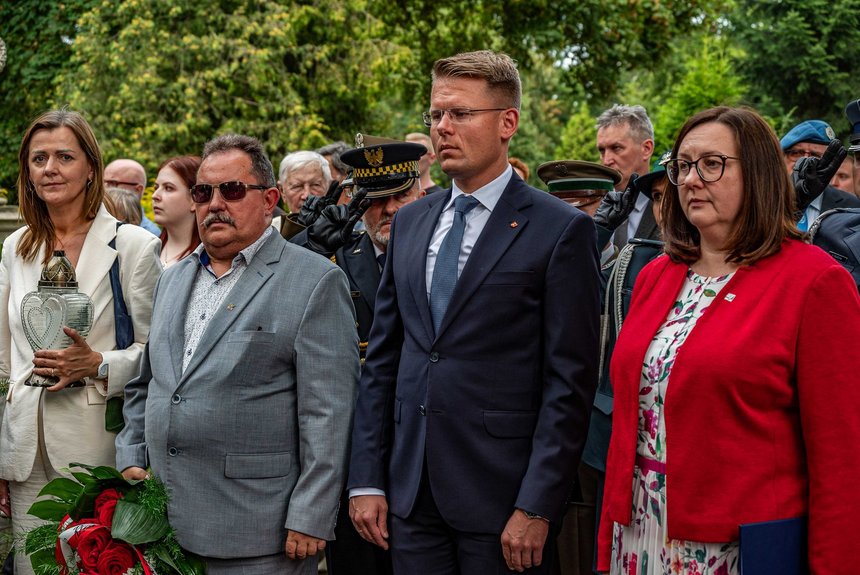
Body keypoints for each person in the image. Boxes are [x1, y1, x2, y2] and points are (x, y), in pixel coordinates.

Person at [348, 50, 601, 575]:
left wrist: (537, 505)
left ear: (507, 122)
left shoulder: (559, 228)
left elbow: (569, 383)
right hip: (411, 496)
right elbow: (384, 361)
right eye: (436, 114)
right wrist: (367, 477)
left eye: (460, 113)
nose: (442, 127)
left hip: (503, 500)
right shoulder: (412, 222)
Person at [598, 106, 860, 574]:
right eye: (682, 165)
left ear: (758, 173)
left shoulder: (814, 281)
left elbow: (841, 461)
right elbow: (628, 429)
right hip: (639, 531)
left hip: (735, 547)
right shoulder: (657, 273)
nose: (690, 180)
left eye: (712, 164)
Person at [115, 133, 359, 575]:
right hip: (164, 524)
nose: (214, 204)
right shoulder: (172, 278)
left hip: (261, 532)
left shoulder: (314, 281)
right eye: (203, 192)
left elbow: (329, 411)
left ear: (269, 200)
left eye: (231, 190)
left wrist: (312, 512)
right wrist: (132, 453)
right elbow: (148, 381)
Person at [0, 109, 162, 575]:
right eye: (39, 159)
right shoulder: (15, 247)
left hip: (99, 454)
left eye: (64, 157)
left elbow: (160, 355)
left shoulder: (132, 246)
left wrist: (98, 364)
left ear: (91, 167)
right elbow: (4, 359)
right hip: (24, 452)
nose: (50, 168)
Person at [596, 105, 659, 247]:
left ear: (646, 149)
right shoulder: (594, 209)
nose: (606, 160)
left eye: (616, 148)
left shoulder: (672, 208)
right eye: (602, 151)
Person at [780, 119, 860, 230]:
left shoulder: (852, 205)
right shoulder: (763, 198)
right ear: (782, 157)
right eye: (796, 153)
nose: (805, 160)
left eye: (815, 155)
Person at [152, 155, 201, 267]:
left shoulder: (207, 261)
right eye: (156, 187)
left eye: (168, 188)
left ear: (195, 198)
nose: (155, 196)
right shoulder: (148, 249)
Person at [104, 158, 161, 235]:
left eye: (112, 183)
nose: (104, 189)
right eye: (103, 182)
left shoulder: (150, 234)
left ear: (138, 190)